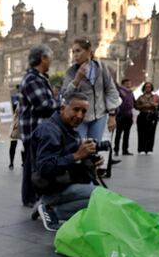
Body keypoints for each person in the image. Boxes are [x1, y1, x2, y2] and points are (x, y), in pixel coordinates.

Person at [32, 90, 102, 231]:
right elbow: (45, 167)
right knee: (101, 197)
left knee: (101, 196)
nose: (80, 115)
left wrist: (90, 160)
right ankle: (53, 212)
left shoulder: (68, 129)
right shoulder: (50, 130)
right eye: (76, 110)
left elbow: (70, 158)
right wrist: (76, 156)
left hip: (63, 183)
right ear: (63, 108)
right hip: (53, 186)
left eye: (84, 111)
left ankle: (46, 205)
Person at [17, 44, 58, 207]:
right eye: (50, 57)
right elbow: (43, 105)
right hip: (33, 129)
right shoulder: (32, 79)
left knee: (34, 163)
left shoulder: (39, 78)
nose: (51, 61)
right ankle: (29, 197)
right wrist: (60, 103)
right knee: (30, 165)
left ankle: (33, 196)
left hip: (37, 129)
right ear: (43, 58)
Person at [62, 38, 120, 142]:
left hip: (99, 115)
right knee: (81, 146)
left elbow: (110, 90)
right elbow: (65, 95)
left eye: (78, 51)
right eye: (73, 52)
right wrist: (77, 79)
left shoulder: (101, 67)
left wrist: (112, 115)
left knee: (95, 148)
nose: (75, 55)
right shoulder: (71, 72)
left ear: (89, 51)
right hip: (79, 117)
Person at [135, 81, 158, 154]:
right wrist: (143, 106)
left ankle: (149, 149)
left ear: (152, 88)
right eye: (146, 87)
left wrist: (154, 104)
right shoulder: (140, 97)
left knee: (151, 133)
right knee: (141, 132)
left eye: (149, 87)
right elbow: (136, 106)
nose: (148, 88)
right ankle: (141, 149)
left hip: (152, 115)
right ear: (144, 88)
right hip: (143, 115)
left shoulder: (155, 97)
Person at [113, 78, 135, 155]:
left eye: (129, 83)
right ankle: (116, 149)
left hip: (129, 116)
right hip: (121, 115)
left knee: (126, 134)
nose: (129, 85)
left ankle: (125, 150)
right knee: (118, 133)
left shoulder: (131, 93)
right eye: (127, 83)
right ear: (123, 84)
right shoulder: (120, 91)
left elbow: (133, 103)